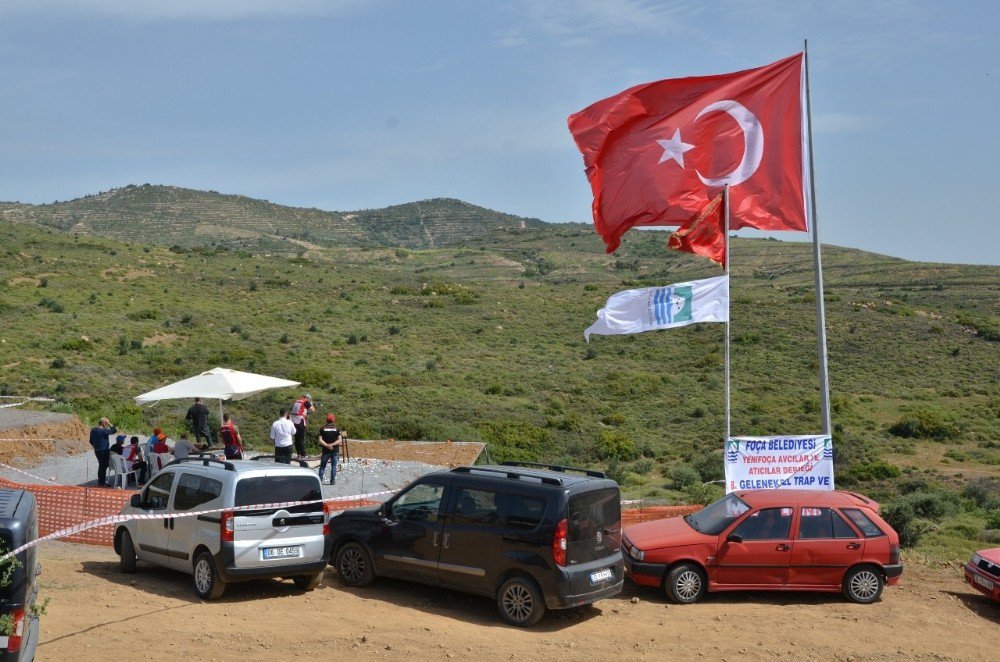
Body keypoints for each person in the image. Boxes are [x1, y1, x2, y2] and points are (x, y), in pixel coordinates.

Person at [88, 417, 117, 487]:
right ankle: (101, 483)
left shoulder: (93, 430)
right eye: (106, 423)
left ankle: (101, 481)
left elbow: (91, 441)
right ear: (104, 423)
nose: (106, 425)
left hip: (97, 450)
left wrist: (95, 447)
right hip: (104, 451)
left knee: (102, 465)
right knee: (103, 466)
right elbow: (114, 430)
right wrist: (110, 423)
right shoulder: (103, 431)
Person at [317, 414, 343, 485]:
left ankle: (319, 480)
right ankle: (332, 481)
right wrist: (332, 445)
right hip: (334, 450)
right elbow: (339, 440)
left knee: (322, 466)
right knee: (333, 466)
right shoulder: (337, 429)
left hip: (325, 451)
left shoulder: (322, 428)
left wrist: (327, 445)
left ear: (326, 420)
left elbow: (320, 440)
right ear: (333, 420)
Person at [290, 393, 314, 460]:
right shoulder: (306, 401)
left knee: (296, 438)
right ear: (308, 398)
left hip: (293, 421)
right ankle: (303, 455)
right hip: (300, 421)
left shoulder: (297, 401)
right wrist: (311, 403)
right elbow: (313, 410)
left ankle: (299, 455)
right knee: (301, 439)